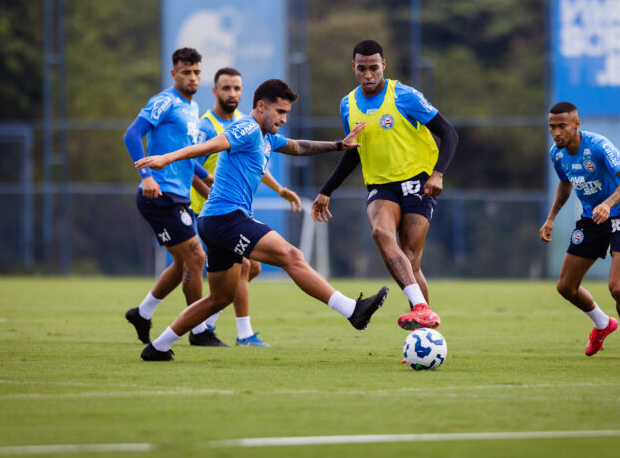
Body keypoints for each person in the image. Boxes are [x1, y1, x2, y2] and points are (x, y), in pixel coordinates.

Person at [134, 79, 389, 362]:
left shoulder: (266, 136)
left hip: (215, 221)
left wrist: (340, 145)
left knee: (219, 298)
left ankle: (157, 347)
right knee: (292, 256)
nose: (283, 119)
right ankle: (352, 310)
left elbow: (298, 146)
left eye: (287, 113)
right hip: (226, 219)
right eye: (279, 112)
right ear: (260, 106)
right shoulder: (247, 128)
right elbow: (212, 145)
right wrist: (167, 158)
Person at [311, 40, 458, 331]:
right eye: (362, 68)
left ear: (384, 66)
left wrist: (438, 174)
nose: (368, 74)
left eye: (373, 68)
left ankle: (424, 332)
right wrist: (326, 190)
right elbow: (353, 152)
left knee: (410, 261)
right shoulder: (347, 104)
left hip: (418, 183)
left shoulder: (404, 96)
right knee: (380, 232)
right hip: (381, 187)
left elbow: (449, 133)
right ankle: (423, 309)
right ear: (353, 67)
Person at [190, 67, 302, 347]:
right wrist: (212, 195)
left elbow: (255, 161)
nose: (232, 93)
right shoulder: (207, 126)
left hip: (229, 211)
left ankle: (195, 324)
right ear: (215, 91)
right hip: (212, 210)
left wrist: (279, 189)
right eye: (226, 88)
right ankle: (238, 333)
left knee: (250, 269)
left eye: (237, 88)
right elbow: (191, 165)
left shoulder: (247, 123)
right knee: (232, 267)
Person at [122, 47, 223, 348]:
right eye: (186, 72)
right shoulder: (164, 101)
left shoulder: (192, 108)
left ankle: (142, 313)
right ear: (174, 73)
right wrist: (146, 176)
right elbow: (131, 134)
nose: (192, 77)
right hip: (159, 195)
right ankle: (199, 330)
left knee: (182, 263)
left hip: (178, 197)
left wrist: (206, 177)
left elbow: (182, 155)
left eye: (197, 72)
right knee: (196, 257)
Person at [540, 101, 620, 361]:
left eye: (562, 126)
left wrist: (608, 204)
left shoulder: (598, 145)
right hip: (592, 219)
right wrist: (551, 218)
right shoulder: (557, 154)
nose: (556, 132)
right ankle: (602, 323)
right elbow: (565, 184)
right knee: (566, 287)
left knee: (618, 288)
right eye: (552, 127)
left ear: (577, 124)